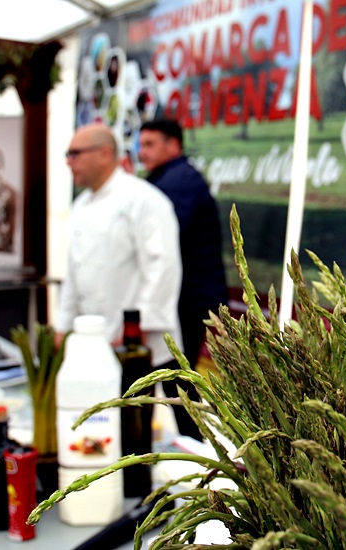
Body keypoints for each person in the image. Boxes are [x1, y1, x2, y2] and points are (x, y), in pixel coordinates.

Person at [57, 123, 189, 433]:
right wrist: (63, 325)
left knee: (169, 421)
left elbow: (163, 266)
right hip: (98, 340)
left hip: (144, 341)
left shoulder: (144, 199)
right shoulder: (80, 206)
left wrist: (139, 327)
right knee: (112, 425)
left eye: (74, 154)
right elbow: (74, 275)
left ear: (105, 154)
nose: (68, 161)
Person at [138, 119, 229, 440]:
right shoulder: (166, 178)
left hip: (188, 299)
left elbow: (159, 239)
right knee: (173, 377)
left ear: (173, 145)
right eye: (140, 144)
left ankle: (199, 446)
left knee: (177, 376)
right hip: (182, 296)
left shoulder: (180, 181)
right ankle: (196, 444)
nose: (141, 152)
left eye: (149, 144)